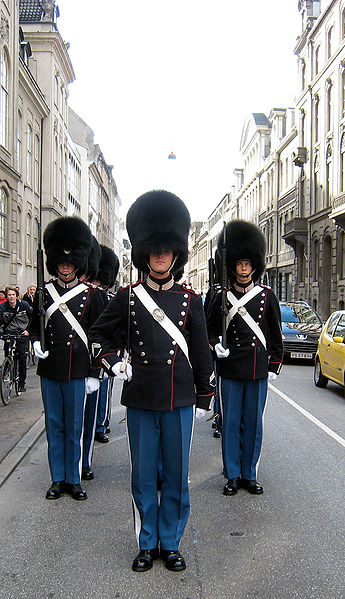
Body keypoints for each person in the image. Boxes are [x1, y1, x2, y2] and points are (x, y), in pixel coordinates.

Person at [89, 190, 214, 573]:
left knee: (176, 476)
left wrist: (204, 399)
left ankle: (171, 543)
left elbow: (201, 351)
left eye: (167, 251)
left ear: (176, 255)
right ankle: (146, 542)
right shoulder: (127, 298)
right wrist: (112, 364)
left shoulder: (190, 300)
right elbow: (98, 336)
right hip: (142, 399)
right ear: (145, 254)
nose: (161, 257)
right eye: (154, 251)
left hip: (178, 399)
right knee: (143, 475)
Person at [30, 216, 105, 501]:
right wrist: (36, 342)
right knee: (55, 425)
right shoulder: (44, 293)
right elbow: (35, 326)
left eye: (70, 262)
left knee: (75, 426)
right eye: (61, 261)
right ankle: (57, 478)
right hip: (51, 369)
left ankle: (74, 478)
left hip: (77, 370)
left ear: (77, 263)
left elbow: (98, 336)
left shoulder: (92, 295)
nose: (65, 265)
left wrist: (94, 373)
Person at [207, 220, 283, 496]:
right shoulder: (221, 296)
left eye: (248, 264)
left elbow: (275, 334)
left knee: (253, 422)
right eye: (239, 264)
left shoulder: (266, 296)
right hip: (230, 369)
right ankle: (233, 473)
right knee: (230, 424)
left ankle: (249, 473)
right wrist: (216, 345)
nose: (243, 269)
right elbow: (208, 329)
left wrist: (274, 364)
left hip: (256, 368)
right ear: (233, 267)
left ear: (254, 267)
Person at [0, 286, 32, 392]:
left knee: (21, 355)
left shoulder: (24, 305)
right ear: (6, 296)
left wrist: (28, 330)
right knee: (8, 353)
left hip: (22, 332)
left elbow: (32, 318)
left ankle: (22, 383)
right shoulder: (3, 307)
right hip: (9, 332)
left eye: (13, 295)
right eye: (9, 295)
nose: (11, 297)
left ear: (16, 295)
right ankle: (7, 369)